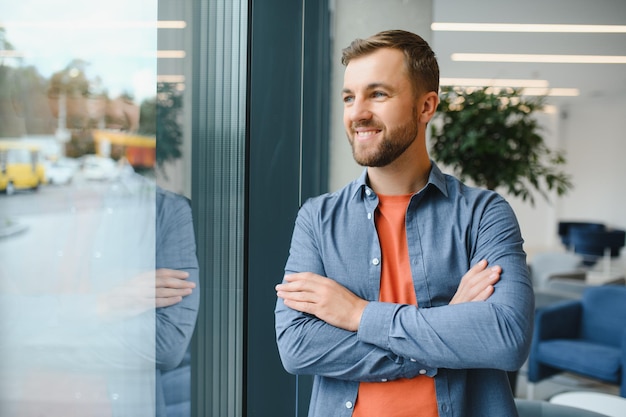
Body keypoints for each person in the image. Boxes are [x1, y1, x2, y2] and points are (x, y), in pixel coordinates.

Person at [274, 30, 534, 417]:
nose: (358, 112)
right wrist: (443, 331)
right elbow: (297, 347)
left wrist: (358, 315)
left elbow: (505, 337)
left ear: (426, 106)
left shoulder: (485, 214)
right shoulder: (317, 218)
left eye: (377, 94)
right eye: (349, 97)